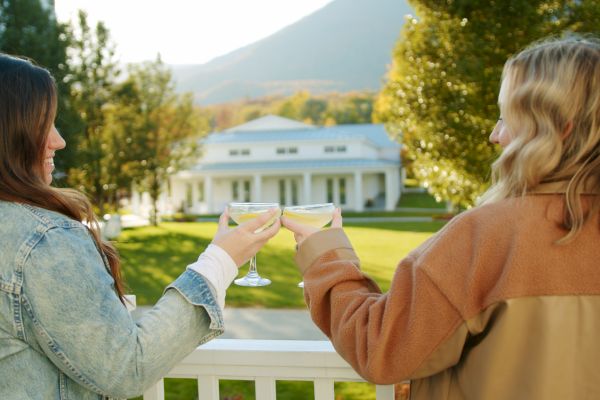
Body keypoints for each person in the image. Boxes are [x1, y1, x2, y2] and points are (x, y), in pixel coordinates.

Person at [282, 35, 600, 399]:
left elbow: (381, 348)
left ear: (560, 128)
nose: (494, 135)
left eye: (506, 117)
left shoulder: (487, 235)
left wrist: (326, 258)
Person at [0, 53, 280, 399]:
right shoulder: (45, 242)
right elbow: (126, 367)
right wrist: (220, 261)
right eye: (44, 124)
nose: (59, 141)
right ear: (11, 135)